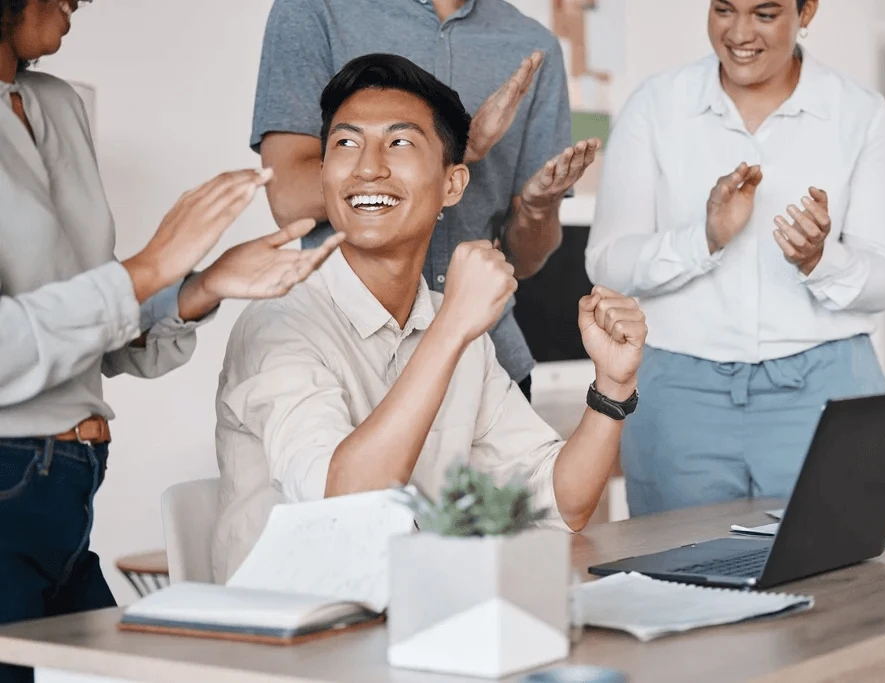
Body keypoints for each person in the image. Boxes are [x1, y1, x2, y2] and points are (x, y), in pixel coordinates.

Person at [0, 1, 341, 676]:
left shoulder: (56, 105)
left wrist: (200, 285)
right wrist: (150, 266)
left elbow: (86, 324)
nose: (79, 0)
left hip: (68, 492)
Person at [212, 54, 645, 583]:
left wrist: (612, 387)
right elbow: (343, 503)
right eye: (345, 144)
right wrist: (453, 328)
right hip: (289, 644)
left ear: (453, 185)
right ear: (325, 174)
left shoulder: (454, 326)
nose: (368, 166)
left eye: (399, 143)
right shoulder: (278, 325)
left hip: (413, 625)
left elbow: (561, 502)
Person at [585, 0, 885, 515]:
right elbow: (607, 263)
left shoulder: (859, 113)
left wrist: (819, 260)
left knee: (845, 582)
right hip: (681, 397)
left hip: (825, 388)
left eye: (765, 14)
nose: (739, 33)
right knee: (681, 576)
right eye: (723, 10)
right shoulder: (657, 104)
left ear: (807, 13)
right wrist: (705, 237)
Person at [251, 0, 602, 402]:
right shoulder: (313, 11)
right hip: (350, 360)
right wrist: (454, 150)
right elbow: (288, 197)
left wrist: (539, 208)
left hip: (488, 361)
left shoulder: (533, 45)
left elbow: (524, 261)